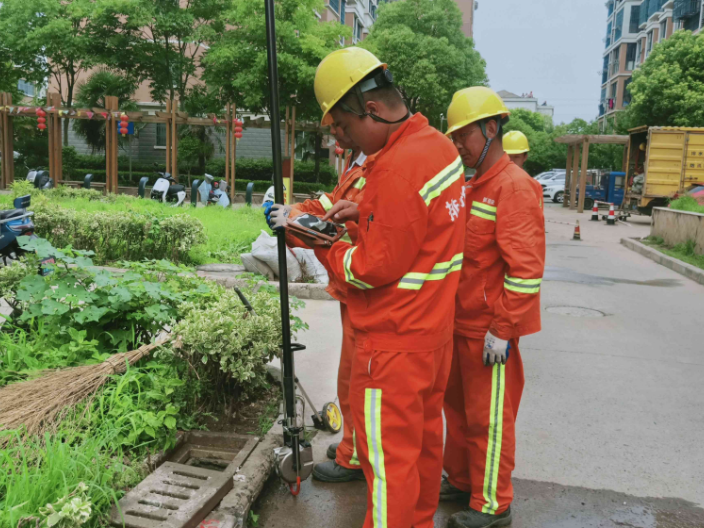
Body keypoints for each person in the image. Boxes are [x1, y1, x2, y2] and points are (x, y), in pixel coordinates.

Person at [312, 47, 466, 528]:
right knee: (420, 452)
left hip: (393, 345)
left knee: (388, 469)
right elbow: (420, 228)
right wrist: (367, 212)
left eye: (345, 127)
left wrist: (321, 242)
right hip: (430, 336)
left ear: (372, 110)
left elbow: (368, 269)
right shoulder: (436, 145)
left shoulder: (397, 167)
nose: (346, 140)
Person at [441, 87, 546, 528]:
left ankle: (492, 504)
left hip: (489, 331)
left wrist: (503, 329)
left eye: (464, 134)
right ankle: (464, 479)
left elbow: (525, 270)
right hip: (460, 324)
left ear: (490, 128)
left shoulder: (514, 188)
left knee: (489, 418)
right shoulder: (473, 186)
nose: (459, 144)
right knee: (459, 412)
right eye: (455, 136)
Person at [267, 129, 371, 483]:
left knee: (360, 379)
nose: (337, 133)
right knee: (349, 377)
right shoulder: (356, 164)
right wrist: (292, 212)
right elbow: (327, 206)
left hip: (365, 288)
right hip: (353, 291)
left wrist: (298, 225)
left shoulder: (374, 166)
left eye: (341, 124)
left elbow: (335, 231)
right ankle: (352, 447)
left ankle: (357, 455)